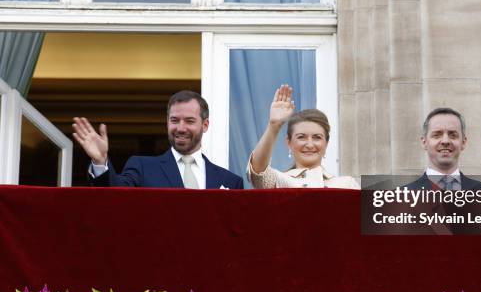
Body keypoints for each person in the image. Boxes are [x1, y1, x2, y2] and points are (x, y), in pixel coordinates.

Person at [72, 90, 243, 189]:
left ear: (205, 125)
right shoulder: (142, 167)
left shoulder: (229, 181)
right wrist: (100, 163)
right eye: (174, 120)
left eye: (189, 121)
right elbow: (115, 197)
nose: (181, 128)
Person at [247, 84, 359, 189]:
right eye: (301, 137)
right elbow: (257, 172)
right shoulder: (280, 181)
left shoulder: (347, 184)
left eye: (317, 137)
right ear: (289, 143)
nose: (309, 144)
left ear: (326, 143)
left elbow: (370, 209)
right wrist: (274, 126)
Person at [405, 107, 481, 191]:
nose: (445, 141)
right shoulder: (400, 196)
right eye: (437, 135)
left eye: (453, 135)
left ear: (463, 142)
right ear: (424, 142)